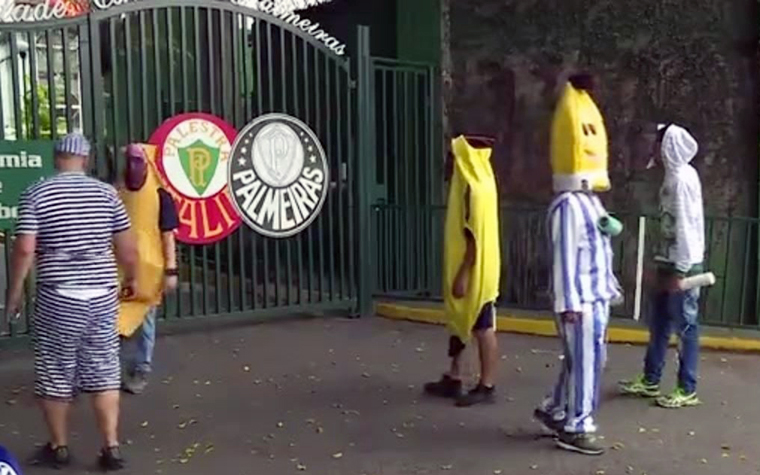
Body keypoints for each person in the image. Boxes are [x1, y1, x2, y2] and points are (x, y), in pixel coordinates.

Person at [3, 133, 137, 470]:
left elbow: (24, 249)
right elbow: (127, 247)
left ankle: (59, 447)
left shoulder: (37, 192)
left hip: (58, 297)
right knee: (105, 369)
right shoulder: (107, 193)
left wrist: (14, 294)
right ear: (87, 160)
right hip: (101, 296)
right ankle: (111, 448)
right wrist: (132, 279)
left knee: (55, 370)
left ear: (56, 158)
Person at [533, 74, 621, 456]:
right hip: (580, 302)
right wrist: (570, 303)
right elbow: (565, 256)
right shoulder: (568, 205)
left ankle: (556, 409)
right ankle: (577, 424)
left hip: (594, 297)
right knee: (586, 362)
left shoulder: (587, 201)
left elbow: (598, 242)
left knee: (586, 359)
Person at [618, 124, 704, 409]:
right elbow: (668, 225)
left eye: (657, 141)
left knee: (685, 326)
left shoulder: (681, 180)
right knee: (659, 324)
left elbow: (686, 225)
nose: (653, 146)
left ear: (668, 145)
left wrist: (680, 269)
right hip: (669, 261)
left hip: (683, 263)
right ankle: (651, 379)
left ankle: (686, 388)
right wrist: (659, 262)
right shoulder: (672, 176)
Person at [424, 134, 501, 407]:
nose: (448, 159)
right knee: (460, 321)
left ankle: (487, 385)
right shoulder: (483, 181)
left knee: (482, 326)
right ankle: (455, 376)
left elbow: (472, 237)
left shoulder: (471, 187)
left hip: (474, 270)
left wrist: (464, 274)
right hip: (482, 266)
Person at [117, 143, 179, 395]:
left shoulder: (160, 195)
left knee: (145, 320)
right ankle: (116, 368)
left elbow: (168, 235)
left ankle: (141, 367)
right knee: (116, 320)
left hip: (149, 269)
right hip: (121, 266)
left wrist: (171, 270)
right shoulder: (117, 191)